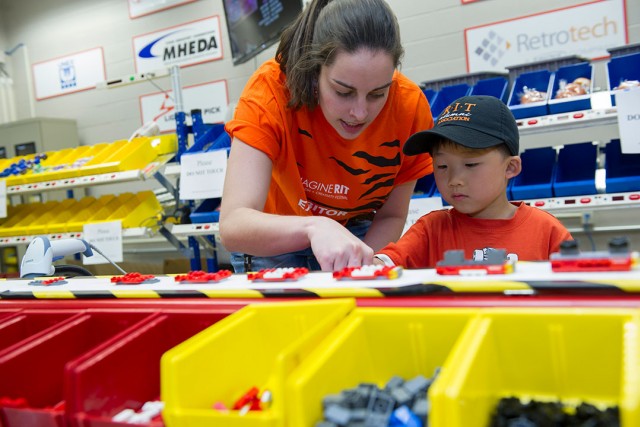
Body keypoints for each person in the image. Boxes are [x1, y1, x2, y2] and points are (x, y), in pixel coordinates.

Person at [220, 0, 434, 272]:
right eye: (343, 92)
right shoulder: (270, 91)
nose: (359, 112)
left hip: (355, 235)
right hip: (274, 234)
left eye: (378, 94)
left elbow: (391, 215)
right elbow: (233, 224)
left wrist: (367, 267)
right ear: (314, 72)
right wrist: (314, 226)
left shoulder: (409, 106)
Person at [374, 95, 572, 269]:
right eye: (442, 166)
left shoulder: (546, 231)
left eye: (470, 164)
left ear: (510, 167)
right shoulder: (430, 230)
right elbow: (383, 265)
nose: (454, 180)